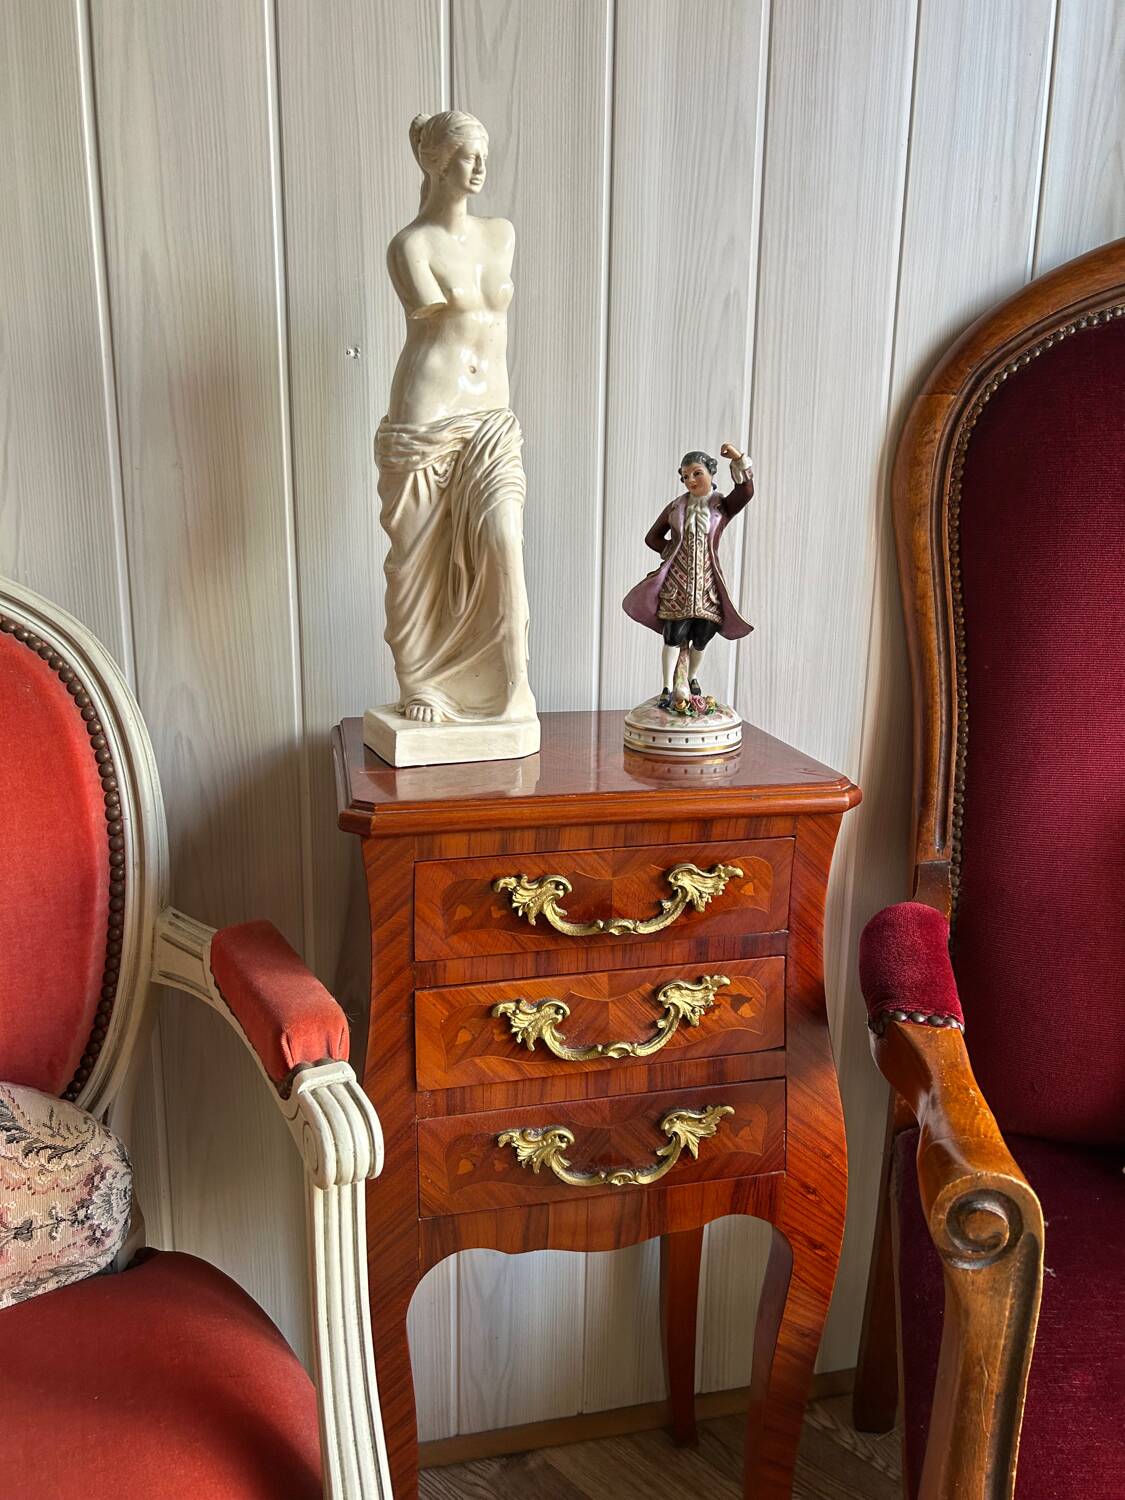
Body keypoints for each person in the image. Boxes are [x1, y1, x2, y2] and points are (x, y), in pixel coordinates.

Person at [374, 111, 536, 728]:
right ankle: (424, 680)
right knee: (416, 561)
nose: (481, 167)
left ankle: (511, 689)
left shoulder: (502, 234)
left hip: (492, 417)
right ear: (437, 163)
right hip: (426, 418)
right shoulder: (411, 246)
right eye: (468, 156)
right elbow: (434, 324)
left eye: (484, 154)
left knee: (504, 541)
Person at [622, 443, 754, 710]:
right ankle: (668, 686)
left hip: (707, 584)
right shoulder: (676, 507)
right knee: (673, 634)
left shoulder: (721, 506)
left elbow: (745, 492)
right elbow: (652, 538)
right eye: (685, 476)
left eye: (696, 473)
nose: (690, 480)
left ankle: (692, 677)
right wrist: (672, 550)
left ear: (710, 473)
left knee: (704, 633)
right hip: (678, 584)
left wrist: (739, 459)